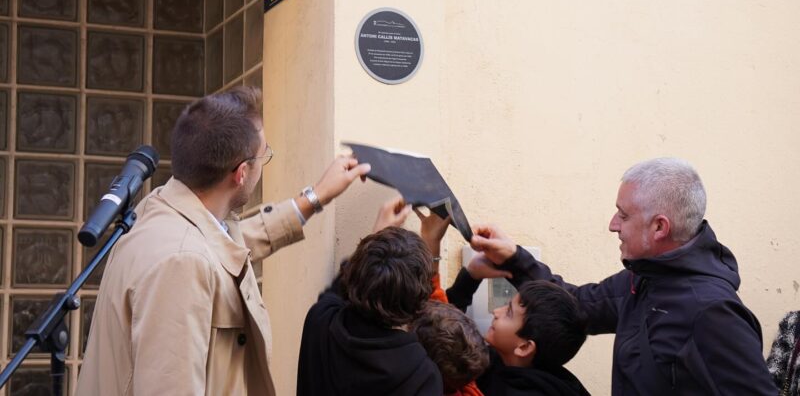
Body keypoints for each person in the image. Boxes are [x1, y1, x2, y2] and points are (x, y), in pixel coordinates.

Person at [76, 86, 371, 396]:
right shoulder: (181, 264)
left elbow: (227, 246)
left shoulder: (162, 208)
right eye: (264, 154)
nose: (264, 162)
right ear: (242, 173)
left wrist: (314, 197)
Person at [469, 157, 776, 395]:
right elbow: (577, 305)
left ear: (659, 227)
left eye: (624, 215)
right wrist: (514, 258)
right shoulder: (640, 280)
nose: (613, 224)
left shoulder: (712, 313)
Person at [418, 210, 587, 395]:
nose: (497, 311)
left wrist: (430, 244)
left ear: (524, 347)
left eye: (509, 313)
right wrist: (471, 276)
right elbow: (441, 327)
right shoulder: (513, 366)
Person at [297, 197, 443, 395]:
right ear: (417, 304)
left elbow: (340, 288)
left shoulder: (321, 320)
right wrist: (433, 246)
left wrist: (376, 235)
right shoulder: (422, 374)